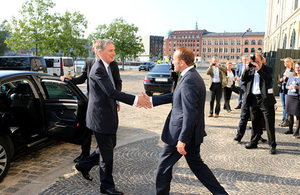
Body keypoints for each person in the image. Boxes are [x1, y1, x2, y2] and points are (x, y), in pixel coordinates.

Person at [144, 47, 228, 195]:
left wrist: (182, 139)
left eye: (174, 59)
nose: (172, 62)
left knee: (163, 167)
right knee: (198, 167)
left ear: (182, 62)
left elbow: (191, 113)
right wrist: (151, 100)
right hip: (189, 132)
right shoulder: (188, 75)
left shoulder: (189, 80)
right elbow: (175, 96)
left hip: (181, 133)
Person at [75, 39, 151, 195]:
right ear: (100, 52)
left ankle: (83, 165)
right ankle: (106, 186)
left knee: (107, 148)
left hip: (108, 115)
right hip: (100, 118)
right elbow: (111, 92)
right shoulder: (97, 69)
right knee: (107, 155)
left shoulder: (108, 66)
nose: (114, 53)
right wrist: (137, 100)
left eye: (114, 50)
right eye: (110, 50)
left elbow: (115, 87)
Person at [60, 40, 122, 163]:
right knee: (86, 130)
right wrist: (69, 79)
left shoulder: (112, 64)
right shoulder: (89, 63)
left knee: (104, 132)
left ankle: (99, 156)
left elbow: (117, 82)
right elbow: (82, 79)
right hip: (92, 102)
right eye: (93, 47)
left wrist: (116, 101)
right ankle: (85, 154)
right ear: (94, 50)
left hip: (108, 103)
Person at [242, 53, 277, 154]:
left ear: (262, 60)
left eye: (258, 61)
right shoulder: (251, 69)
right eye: (254, 61)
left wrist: (259, 69)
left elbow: (269, 80)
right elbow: (243, 79)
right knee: (254, 121)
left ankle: (272, 144)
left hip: (265, 99)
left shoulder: (267, 69)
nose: (255, 63)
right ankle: (254, 141)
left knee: (269, 122)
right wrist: (247, 69)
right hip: (253, 98)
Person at [284, 61, 300, 137]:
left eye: (299, 67)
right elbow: (286, 86)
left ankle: (297, 131)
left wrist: (298, 87)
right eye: (296, 67)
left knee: (298, 114)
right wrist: (289, 87)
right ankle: (290, 129)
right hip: (290, 96)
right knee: (289, 114)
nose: (297, 69)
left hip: (297, 97)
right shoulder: (291, 76)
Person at [278, 57, 294, 128]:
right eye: (285, 62)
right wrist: (281, 79)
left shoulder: (293, 71)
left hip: (288, 90)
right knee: (283, 106)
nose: (285, 63)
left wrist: (286, 78)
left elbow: (292, 81)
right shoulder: (284, 71)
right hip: (282, 89)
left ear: (291, 63)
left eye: (287, 62)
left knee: (287, 106)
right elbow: (279, 80)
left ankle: (287, 120)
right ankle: (284, 119)